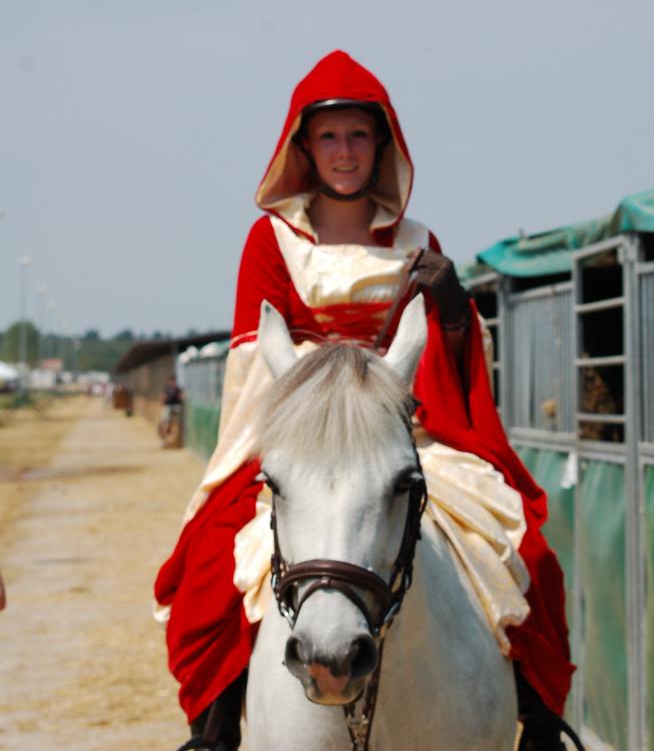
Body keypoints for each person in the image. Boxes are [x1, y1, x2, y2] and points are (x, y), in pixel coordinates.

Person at [155, 50, 574, 751]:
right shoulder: (271, 241)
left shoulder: (418, 242)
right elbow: (257, 361)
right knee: (211, 563)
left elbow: (449, 359)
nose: (344, 152)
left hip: (401, 432)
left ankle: (537, 724)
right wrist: (321, 403)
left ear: (381, 145)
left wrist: (451, 307)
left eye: (357, 136)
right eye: (328, 137)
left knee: (521, 546)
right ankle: (217, 728)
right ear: (304, 148)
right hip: (307, 434)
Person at [159, 375, 185, 448]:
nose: (173, 383)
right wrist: (162, 404)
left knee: (176, 423)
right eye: (172, 381)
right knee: (165, 423)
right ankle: (164, 441)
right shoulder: (166, 388)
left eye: (173, 381)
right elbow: (162, 397)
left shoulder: (178, 389)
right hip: (168, 407)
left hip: (176, 407)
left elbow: (182, 397)